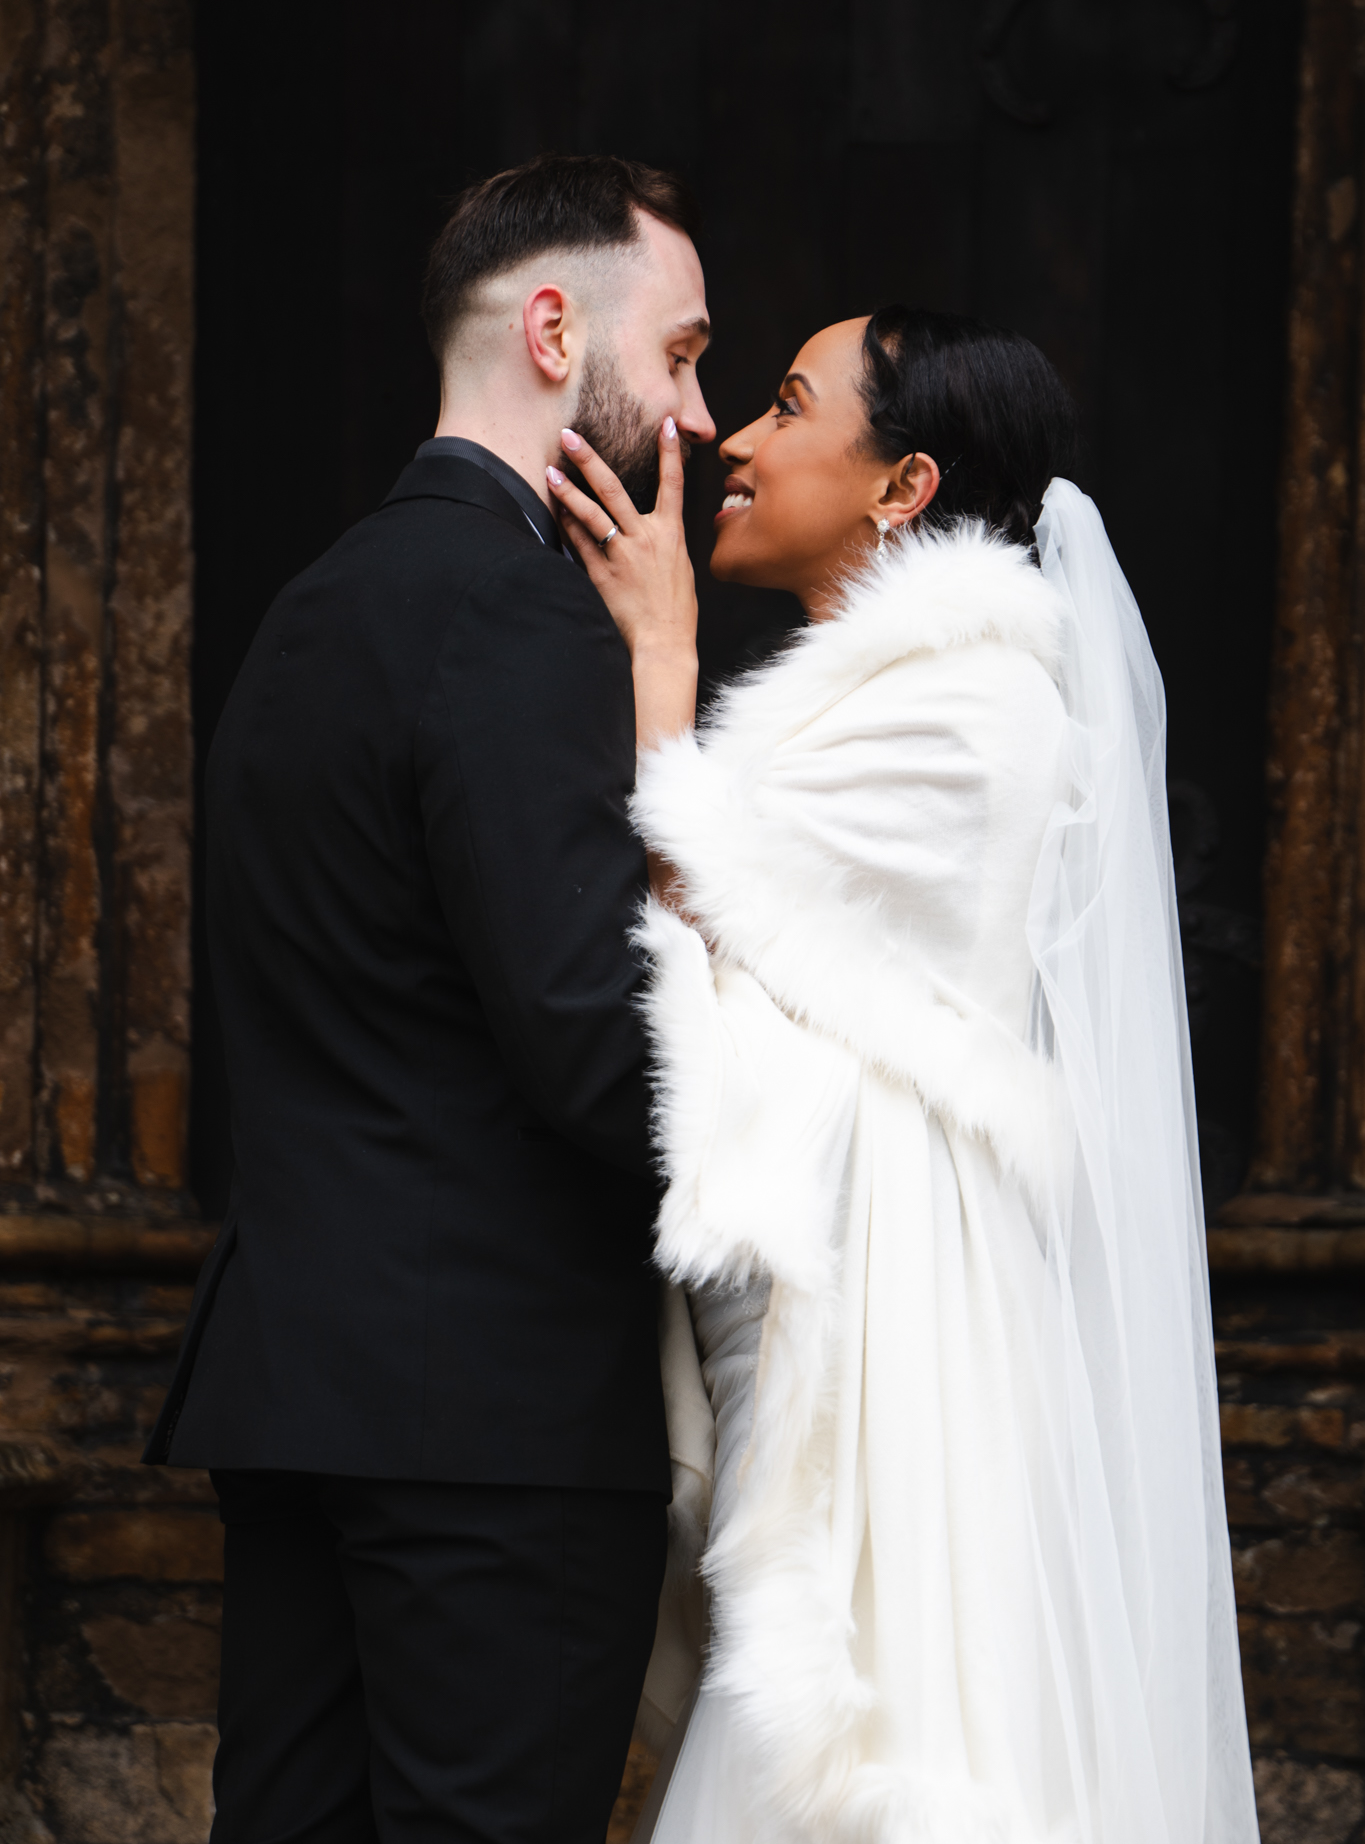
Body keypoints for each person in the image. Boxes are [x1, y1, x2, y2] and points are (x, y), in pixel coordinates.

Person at [549, 308, 1259, 1844]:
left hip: (899, 1318)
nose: (731, 438)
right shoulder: (865, 691)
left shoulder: (975, 699)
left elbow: (696, 912)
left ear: (903, 484)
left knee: (877, 1723)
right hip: (832, 1292)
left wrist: (660, 651)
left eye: (788, 406)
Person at [143, 153, 715, 1844]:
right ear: (554, 326)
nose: (694, 414)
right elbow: (597, 1052)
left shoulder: (314, 606)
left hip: (302, 1379)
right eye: (679, 354)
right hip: (494, 1417)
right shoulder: (521, 613)